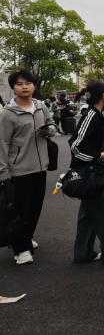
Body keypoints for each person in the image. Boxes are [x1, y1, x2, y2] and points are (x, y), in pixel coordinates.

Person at [0, 70, 57, 265]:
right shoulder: (7, 114)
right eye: (19, 84)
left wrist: (48, 131)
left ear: (34, 85)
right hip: (18, 171)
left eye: (28, 83)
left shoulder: (41, 107)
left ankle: (25, 237)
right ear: (13, 88)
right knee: (20, 211)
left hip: (40, 168)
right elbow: (2, 145)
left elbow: (52, 126)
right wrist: (3, 173)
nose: (24, 86)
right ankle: (20, 248)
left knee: (34, 209)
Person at [69, 81, 104, 265]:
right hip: (90, 174)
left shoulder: (95, 115)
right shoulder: (91, 115)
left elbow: (90, 143)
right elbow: (75, 145)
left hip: (92, 171)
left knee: (88, 215)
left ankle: (83, 253)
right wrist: (98, 156)